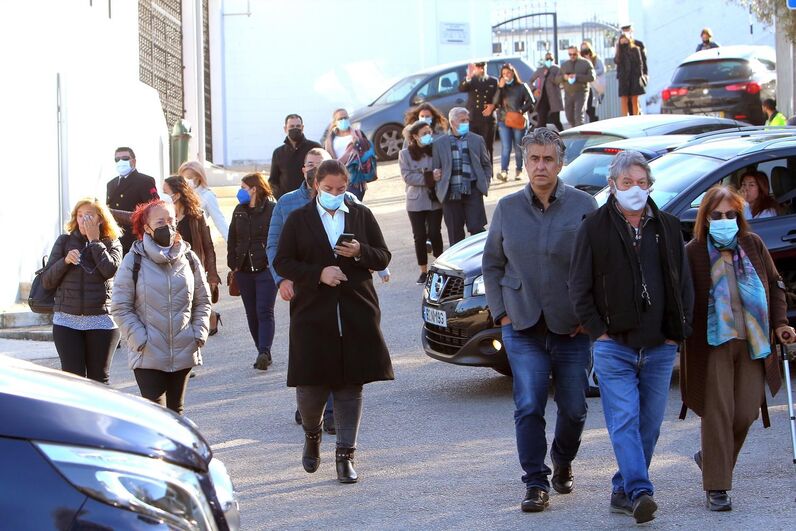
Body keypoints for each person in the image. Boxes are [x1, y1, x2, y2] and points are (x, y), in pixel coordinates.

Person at [569, 150, 694, 524]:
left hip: (659, 346)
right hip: (614, 347)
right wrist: (600, 333)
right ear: (613, 185)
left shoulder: (669, 226)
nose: (635, 189)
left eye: (642, 183)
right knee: (624, 420)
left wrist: (678, 334)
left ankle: (622, 489)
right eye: (627, 183)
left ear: (650, 185)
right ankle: (640, 490)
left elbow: (683, 283)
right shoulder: (592, 226)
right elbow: (578, 286)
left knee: (650, 425)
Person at [482, 127, 597, 513]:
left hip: (572, 327)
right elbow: (492, 263)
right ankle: (535, 481)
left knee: (574, 407)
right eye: (534, 158)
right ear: (526, 161)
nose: (541, 166)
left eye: (549, 159)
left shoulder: (584, 205)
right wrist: (500, 312)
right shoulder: (508, 208)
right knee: (529, 403)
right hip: (522, 323)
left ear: (561, 163)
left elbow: (599, 268)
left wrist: (590, 316)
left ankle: (563, 459)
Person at [273, 159, 394, 484]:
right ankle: (312, 435)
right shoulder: (299, 219)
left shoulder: (360, 214)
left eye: (341, 189)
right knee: (311, 388)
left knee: (350, 387)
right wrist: (318, 274)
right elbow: (282, 261)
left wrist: (360, 252)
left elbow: (383, 255)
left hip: (355, 312)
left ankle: (346, 456)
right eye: (329, 189)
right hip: (313, 315)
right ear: (316, 186)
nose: (335, 194)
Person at [681, 185, 795, 512]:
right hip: (713, 344)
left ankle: (712, 459)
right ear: (705, 218)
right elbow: (683, 299)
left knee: (745, 413)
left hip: (753, 342)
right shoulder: (694, 251)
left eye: (731, 214)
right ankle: (717, 486)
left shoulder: (753, 245)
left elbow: (775, 286)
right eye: (717, 215)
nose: (725, 220)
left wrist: (780, 323)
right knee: (718, 414)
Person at [111, 199, 210, 415]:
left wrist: (198, 334)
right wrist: (140, 339)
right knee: (156, 415)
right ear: (146, 227)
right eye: (160, 221)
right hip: (148, 353)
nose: (167, 226)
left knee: (177, 413)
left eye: (171, 220)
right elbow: (120, 306)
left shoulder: (189, 258)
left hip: (183, 347)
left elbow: (202, 301)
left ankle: (177, 451)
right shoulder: (133, 260)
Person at [41, 198, 123, 384]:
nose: (84, 219)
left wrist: (95, 241)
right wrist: (65, 262)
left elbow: (109, 270)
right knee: (73, 381)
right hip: (67, 322)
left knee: (99, 380)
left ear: (100, 219)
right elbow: (47, 281)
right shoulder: (64, 241)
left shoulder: (112, 243)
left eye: (89, 215)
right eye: (80, 215)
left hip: (101, 321)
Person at [227, 172, 278, 370]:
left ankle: (264, 350)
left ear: (254, 188)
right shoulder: (239, 211)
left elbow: (277, 237)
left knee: (264, 310)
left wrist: (274, 261)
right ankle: (261, 351)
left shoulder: (272, 209)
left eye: (243, 188)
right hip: (243, 270)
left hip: (265, 268)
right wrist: (233, 263)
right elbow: (232, 238)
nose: (241, 192)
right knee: (251, 313)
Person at [164, 175, 223, 335]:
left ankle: (208, 317)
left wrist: (212, 274)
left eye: (165, 192)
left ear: (176, 195)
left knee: (195, 303)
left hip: (192, 268)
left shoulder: (196, 216)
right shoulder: (163, 218)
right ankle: (207, 318)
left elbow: (208, 247)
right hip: (170, 268)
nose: (161, 196)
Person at [431, 107, 492, 245]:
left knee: (477, 229)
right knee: (455, 234)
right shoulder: (439, 143)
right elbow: (436, 167)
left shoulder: (477, 139)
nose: (466, 123)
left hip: (473, 190)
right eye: (462, 120)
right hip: (450, 194)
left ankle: (481, 263)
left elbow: (486, 164)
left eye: (467, 120)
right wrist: (436, 179)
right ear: (452, 122)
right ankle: (458, 265)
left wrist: (485, 182)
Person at [399, 120, 444, 284]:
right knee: (419, 236)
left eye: (429, 132)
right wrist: (430, 177)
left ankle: (440, 267)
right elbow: (407, 177)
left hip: (434, 199)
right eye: (424, 133)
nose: (428, 136)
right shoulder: (405, 154)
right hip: (415, 201)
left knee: (434, 232)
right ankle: (423, 270)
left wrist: (439, 174)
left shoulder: (436, 149)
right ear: (415, 136)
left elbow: (444, 167)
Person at [106, 146, 159, 254]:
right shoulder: (111, 184)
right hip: (115, 239)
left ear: (133, 161)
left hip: (135, 239)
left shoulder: (145, 181)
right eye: (117, 159)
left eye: (125, 158)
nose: (121, 162)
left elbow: (154, 209)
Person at [324, 108, 376, 201]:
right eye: (340, 119)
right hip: (337, 177)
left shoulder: (357, 134)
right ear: (335, 122)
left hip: (355, 179)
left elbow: (367, 153)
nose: (343, 120)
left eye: (345, 117)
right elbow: (327, 159)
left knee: (353, 207)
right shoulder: (330, 139)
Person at [494, 62, 533, 181]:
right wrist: (500, 88)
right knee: (506, 147)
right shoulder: (501, 88)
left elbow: (531, 101)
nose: (506, 76)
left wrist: (521, 111)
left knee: (518, 147)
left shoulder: (521, 87)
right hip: (504, 120)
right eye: (504, 74)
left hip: (518, 120)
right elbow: (495, 103)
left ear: (513, 73)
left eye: (508, 73)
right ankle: (504, 171)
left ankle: (519, 170)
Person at [268, 114, 321, 199]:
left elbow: (324, 173)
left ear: (302, 128)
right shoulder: (278, 153)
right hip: (288, 202)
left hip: (312, 200)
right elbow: (273, 181)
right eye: (292, 126)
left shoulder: (315, 148)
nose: (295, 129)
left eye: (298, 126)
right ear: (285, 129)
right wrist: (281, 197)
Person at [178, 160, 230, 241]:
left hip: (197, 241)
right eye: (183, 179)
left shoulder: (207, 195)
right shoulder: (177, 195)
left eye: (189, 178)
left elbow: (219, 221)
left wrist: (231, 243)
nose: (186, 182)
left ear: (199, 177)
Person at [458, 61, 499, 160]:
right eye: (478, 67)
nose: (481, 69)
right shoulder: (471, 80)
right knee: (474, 147)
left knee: (487, 147)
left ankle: (489, 173)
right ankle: (476, 172)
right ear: (475, 68)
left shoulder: (493, 81)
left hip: (488, 119)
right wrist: (468, 76)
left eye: (483, 66)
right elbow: (461, 88)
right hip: (473, 118)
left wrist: (494, 106)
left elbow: (499, 98)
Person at [557, 46, 595, 128]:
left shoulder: (586, 63)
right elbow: (556, 79)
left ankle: (580, 133)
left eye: (574, 54)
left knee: (579, 115)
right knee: (569, 115)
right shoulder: (565, 65)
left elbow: (592, 77)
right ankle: (574, 128)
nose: (572, 56)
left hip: (581, 92)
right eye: (570, 54)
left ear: (578, 53)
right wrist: (564, 77)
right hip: (568, 93)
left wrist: (577, 77)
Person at [529, 52, 564, 131]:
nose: (549, 61)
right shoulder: (541, 69)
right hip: (542, 99)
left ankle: (564, 135)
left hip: (554, 99)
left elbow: (558, 81)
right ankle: (543, 138)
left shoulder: (556, 69)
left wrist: (549, 74)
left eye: (551, 59)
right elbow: (530, 81)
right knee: (541, 121)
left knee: (556, 121)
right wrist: (534, 89)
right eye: (547, 59)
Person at [614, 33, 647, 116]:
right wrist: (618, 48)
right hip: (623, 78)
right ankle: (625, 117)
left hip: (634, 77)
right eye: (622, 38)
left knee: (634, 98)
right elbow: (616, 61)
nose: (624, 40)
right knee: (624, 99)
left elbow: (640, 63)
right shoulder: (619, 51)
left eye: (625, 38)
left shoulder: (635, 49)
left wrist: (640, 75)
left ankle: (636, 116)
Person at [580, 41, 605, 123]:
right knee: (586, 108)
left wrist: (592, 72)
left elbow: (601, 69)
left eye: (586, 50)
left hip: (594, 86)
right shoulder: (580, 60)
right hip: (585, 86)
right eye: (583, 50)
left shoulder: (595, 58)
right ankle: (593, 120)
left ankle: (594, 121)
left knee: (592, 107)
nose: (585, 52)